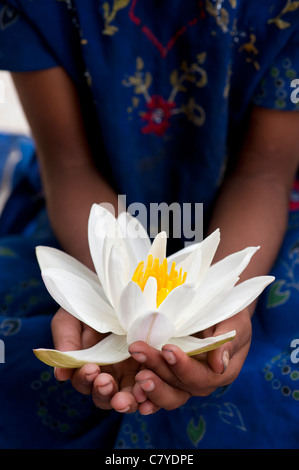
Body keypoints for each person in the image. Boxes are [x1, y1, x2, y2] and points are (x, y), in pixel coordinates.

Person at [0, 0, 298, 449]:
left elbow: (262, 173)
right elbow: (67, 164)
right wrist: (102, 288)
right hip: (90, 215)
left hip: (253, 218)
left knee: (267, 394)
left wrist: (227, 310)